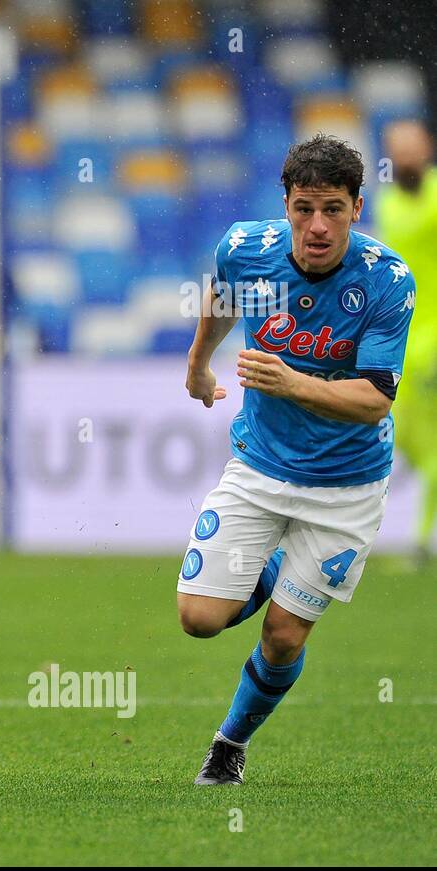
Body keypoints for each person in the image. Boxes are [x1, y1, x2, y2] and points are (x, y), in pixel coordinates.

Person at [179, 134, 414, 784]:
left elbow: (373, 401)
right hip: (261, 469)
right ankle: (280, 563)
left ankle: (229, 745)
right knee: (199, 621)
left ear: (357, 207)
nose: (318, 226)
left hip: (347, 486)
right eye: (305, 207)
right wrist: (198, 366)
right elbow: (222, 302)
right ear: (284, 203)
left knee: (283, 634)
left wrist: (292, 383)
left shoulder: (386, 280)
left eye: (333, 209)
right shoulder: (245, 251)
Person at [375, 119, 437, 563]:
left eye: (412, 147)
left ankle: (420, 540)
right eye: (398, 149)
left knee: (431, 445)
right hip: (401, 344)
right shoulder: (385, 203)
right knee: (402, 444)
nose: (406, 156)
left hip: (434, 343)